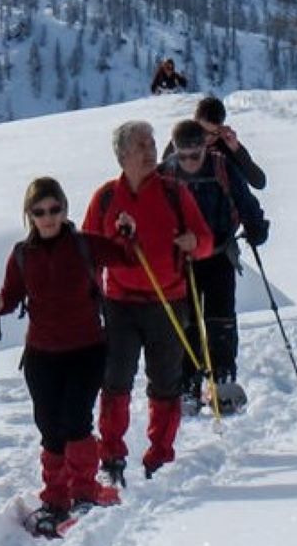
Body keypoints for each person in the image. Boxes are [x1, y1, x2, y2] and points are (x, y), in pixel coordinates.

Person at [0, 178, 125, 536]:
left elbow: (124, 256)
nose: (48, 217)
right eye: (39, 211)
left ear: (65, 209)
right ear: (29, 215)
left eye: (54, 209)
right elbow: (12, 295)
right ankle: (56, 498)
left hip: (86, 349)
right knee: (50, 427)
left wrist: (127, 232)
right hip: (41, 355)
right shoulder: (21, 254)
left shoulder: (84, 245)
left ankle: (84, 492)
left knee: (76, 421)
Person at [82, 120, 214, 483]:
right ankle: (111, 456)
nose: (151, 150)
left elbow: (204, 241)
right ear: (122, 155)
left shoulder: (175, 193)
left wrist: (193, 244)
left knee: (165, 383)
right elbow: (88, 251)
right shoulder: (106, 197)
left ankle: (160, 456)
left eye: (152, 143)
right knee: (115, 381)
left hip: (167, 300)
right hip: (120, 302)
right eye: (142, 145)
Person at [160, 120, 268, 411]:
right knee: (187, 322)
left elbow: (246, 200)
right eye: (183, 155)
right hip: (182, 258)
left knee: (221, 318)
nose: (189, 162)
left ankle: (223, 378)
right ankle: (187, 383)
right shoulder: (165, 173)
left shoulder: (221, 167)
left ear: (204, 149)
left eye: (194, 155)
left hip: (219, 252)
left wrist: (256, 226)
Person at [192, 94, 268, 190]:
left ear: (221, 129)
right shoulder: (181, 142)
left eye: (214, 133)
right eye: (202, 131)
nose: (207, 138)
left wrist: (236, 149)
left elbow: (259, 182)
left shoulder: (225, 146)